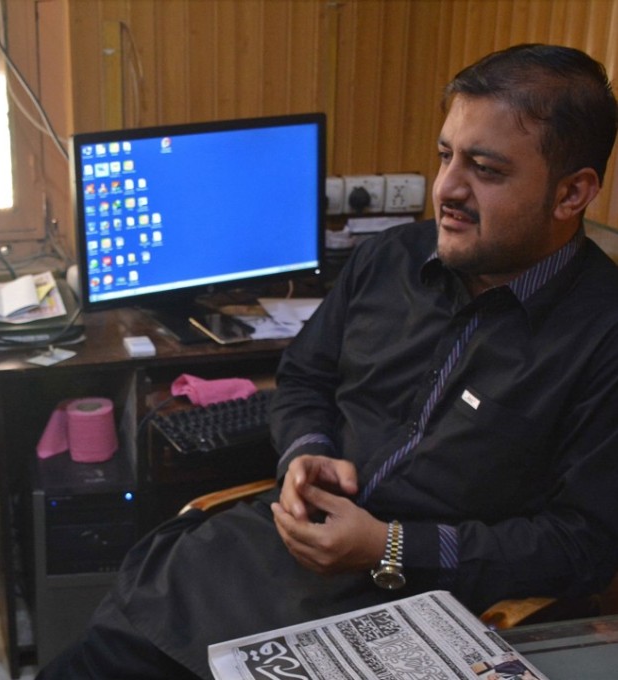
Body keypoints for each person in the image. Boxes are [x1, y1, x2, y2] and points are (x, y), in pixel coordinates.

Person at [37, 43, 618, 680]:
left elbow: (584, 544)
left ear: (572, 193)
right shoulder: (389, 259)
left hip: (419, 598)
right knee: (104, 651)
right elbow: (305, 376)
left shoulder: (602, 335)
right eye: (445, 156)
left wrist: (391, 546)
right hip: (277, 549)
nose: (447, 189)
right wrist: (303, 453)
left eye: (486, 169)